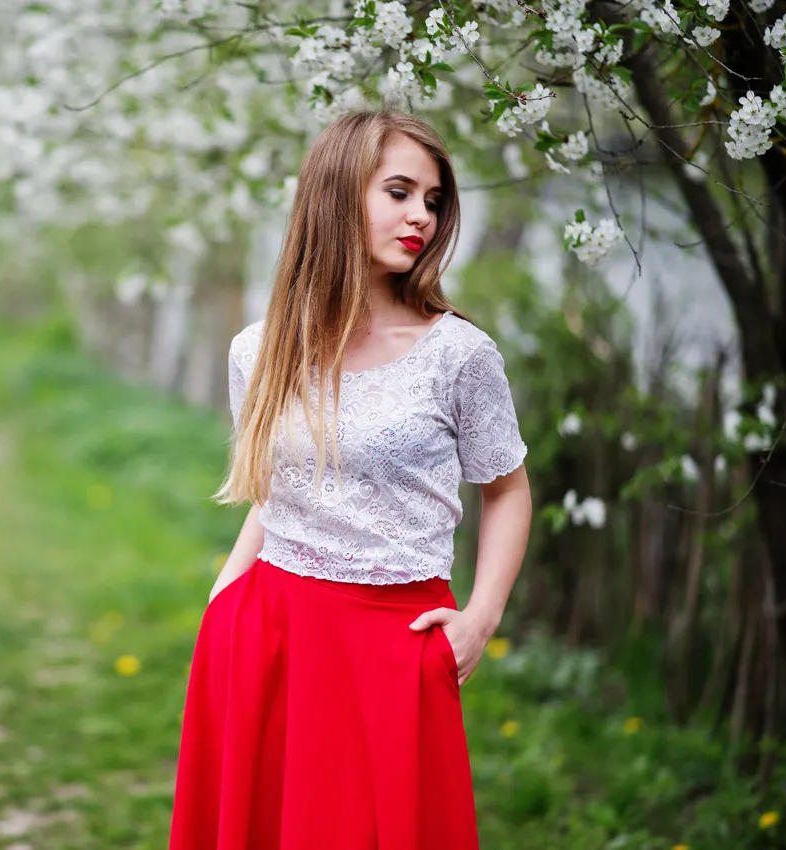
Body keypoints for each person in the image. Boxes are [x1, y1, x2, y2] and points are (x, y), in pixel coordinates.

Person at [169, 110, 533, 849]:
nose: (420, 217)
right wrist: (224, 600)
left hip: (397, 643)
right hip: (269, 632)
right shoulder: (259, 350)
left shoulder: (458, 355)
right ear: (337, 194)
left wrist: (481, 620)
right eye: (399, 191)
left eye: (433, 200)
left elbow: (507, 491)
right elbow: (280, 494)